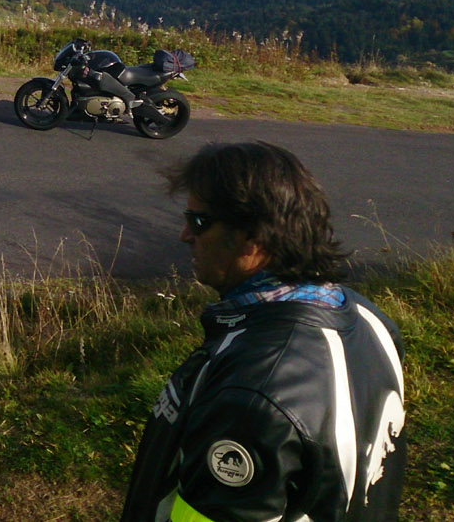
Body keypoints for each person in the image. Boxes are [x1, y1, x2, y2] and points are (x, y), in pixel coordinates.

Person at [121, 141, 405, 522]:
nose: (185, 234)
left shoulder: (252, 395)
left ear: (254, 237)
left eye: (199, 221)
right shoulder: (367, 318)